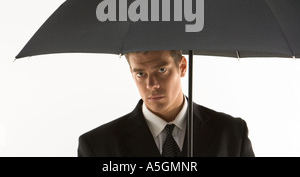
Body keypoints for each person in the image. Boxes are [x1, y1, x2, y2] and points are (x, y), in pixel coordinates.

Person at [77, 50, 254, 157]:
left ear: (182, 67)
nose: (151, 84)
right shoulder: (98, 145)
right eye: (141, 74)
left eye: (161, 70)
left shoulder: (231, 133)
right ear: (131, 72)